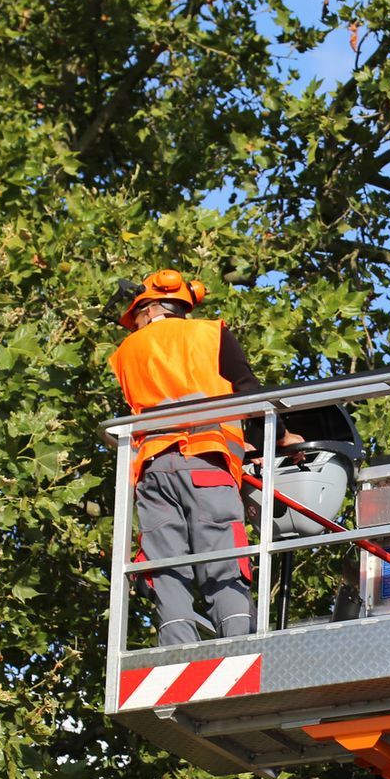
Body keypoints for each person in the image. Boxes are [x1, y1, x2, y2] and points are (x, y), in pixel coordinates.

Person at [109, 269, 269, 646]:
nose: (135, 324)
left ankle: (176, 647)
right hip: (205, 462)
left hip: (152, 471)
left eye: (136, 317)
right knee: (222, 555)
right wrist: (272, 440)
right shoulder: (210, 333)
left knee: (165, 565)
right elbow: (250, 394)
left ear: (149, 309)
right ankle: (238, 644)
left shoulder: (127, 352)